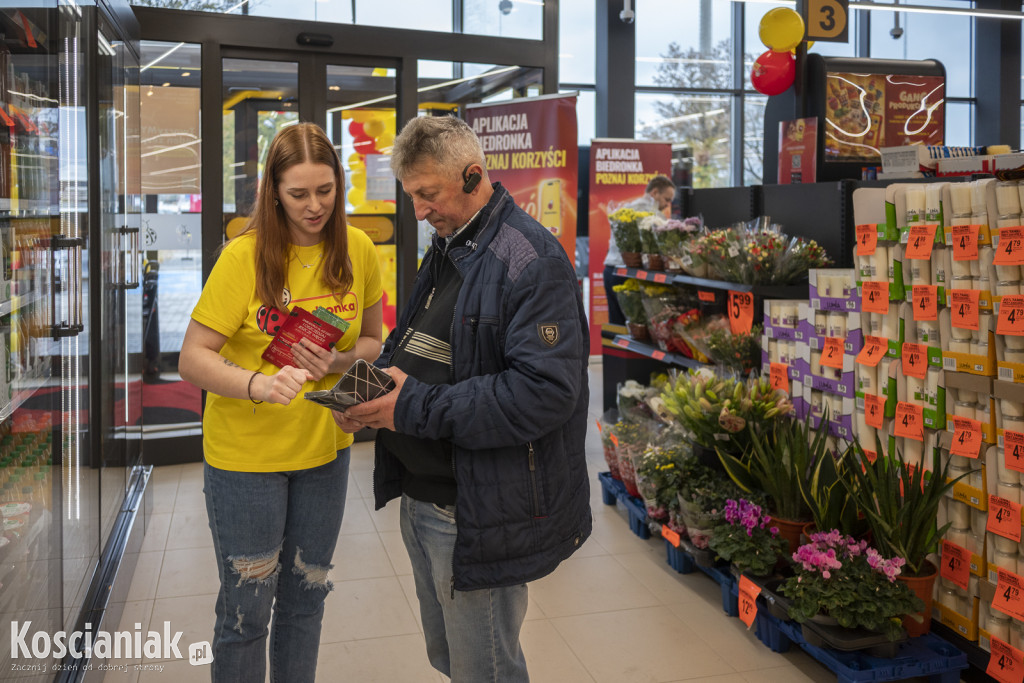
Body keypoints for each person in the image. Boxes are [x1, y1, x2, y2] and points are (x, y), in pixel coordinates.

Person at [333, 115, 591, 682]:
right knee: (450, 658)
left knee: (487, 669)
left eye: (428, 195)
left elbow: (543, 393)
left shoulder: (531, 261)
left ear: (473, 175)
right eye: (412, 197)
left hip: (474, 508)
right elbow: (422, 345)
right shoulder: (451, 245)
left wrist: (409, 406)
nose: (419, 211)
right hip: (424, 493)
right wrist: (372, 390)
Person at [179, 122, 383, 683]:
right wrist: (258, 384)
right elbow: (193, 357)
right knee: (246, 615)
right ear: (273, 191)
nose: (314, 206)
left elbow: (372, 340)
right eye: (298, 194)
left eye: (325, 190)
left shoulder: (358, 249)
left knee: (305, 602)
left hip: (324, 455)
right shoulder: (242, 257)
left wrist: (338, 362)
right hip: (247, 461)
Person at [603, 173, 677, 324]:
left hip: (610, 269)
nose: (667, 205)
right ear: (654, 193)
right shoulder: (651, 214)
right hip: (627, 272)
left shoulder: (627, 208)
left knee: (617, 324)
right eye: (666, 199)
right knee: (637, 324)